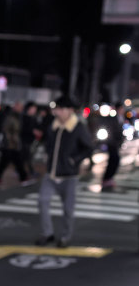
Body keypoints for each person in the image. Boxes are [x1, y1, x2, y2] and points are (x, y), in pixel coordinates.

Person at [35, 95, 93, 247]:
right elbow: (48, 143)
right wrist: (47, 153)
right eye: (57, 109)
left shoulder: (78, 127)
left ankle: (65, 237)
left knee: (68, 209)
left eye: (60, 109)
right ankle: (47, 234)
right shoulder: (53, 126)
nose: (57, 112)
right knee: (42, 202)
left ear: (69, 110)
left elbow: (88, 148)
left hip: (69, 176)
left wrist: (74, 160)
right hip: (51, 174)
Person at [0, 101, 28, 184]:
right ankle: (23, 178)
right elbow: (6, 130)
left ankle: (23, 177)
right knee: (12, 161)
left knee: (7, 161)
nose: (21, 109)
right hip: (10, 144)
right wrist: (10, 141)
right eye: (20, 107)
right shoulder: (11, 116)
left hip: (12, 143)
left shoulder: (17, 116)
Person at [101, 103, 125, 191]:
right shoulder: (113, 118)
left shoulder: (121, 117)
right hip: (112, 144)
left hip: (116, 143)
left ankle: (108, 178)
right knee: (114, 159)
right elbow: (110, 130)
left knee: (114, 160)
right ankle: (107, 178)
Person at [20, 101, 38, 177]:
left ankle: (20, 170)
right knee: (28, 157)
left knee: (24, 157)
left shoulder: (33, 118)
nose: (35, 110)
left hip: (29, 140)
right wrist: (33, 131)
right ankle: (31, 171)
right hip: (24, 140)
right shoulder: (23, 117)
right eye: (33, 108)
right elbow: (22, 129)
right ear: (29, 108)